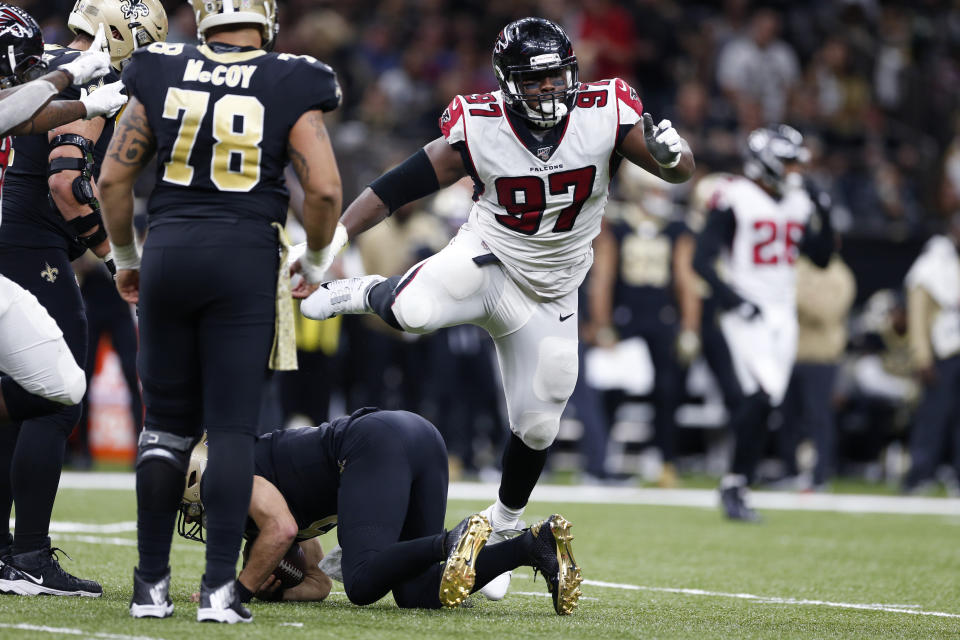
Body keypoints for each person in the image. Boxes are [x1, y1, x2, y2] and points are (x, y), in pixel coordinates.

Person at [300, 17, 694, 599]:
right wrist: (333, 239)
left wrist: (674, 155)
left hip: (553, 290)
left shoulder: (604, 112)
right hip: (489, 263)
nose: (549, 90)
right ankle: (362, 292)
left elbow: (677, 171)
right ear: (509, 84)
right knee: (410, 314)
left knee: (540, 422)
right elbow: (395, 187)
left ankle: (503, 524)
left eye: (557, 76)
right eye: (534, 81)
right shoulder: (481, 125)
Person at [99, 0, 345, 623]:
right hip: (244, 257)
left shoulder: (160, 65)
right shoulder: (292, 75)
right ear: (264, 16)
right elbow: (323, 189)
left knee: (164, 428)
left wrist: (127, 257)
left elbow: (111, 182)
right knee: (232, 429)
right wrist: (315, 262)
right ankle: (216, 592)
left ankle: (149, 587)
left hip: (171, 251)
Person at [0, 0, 165, 598]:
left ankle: (5, 553)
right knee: (55, 398)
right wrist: (118, 258)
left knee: (14, 402)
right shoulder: (90, 69)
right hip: (32, 248)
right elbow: (68, 182)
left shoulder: (39, 65)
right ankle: (32, 555)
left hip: (9, 237)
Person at [173, 408, 582, 615]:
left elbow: (280, 529)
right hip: (418, 437)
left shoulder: (227, 471)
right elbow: (317, 581)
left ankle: (454, 539)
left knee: (364, 581)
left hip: (374, 443)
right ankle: (532, 545)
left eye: (186, 503)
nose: (192, 515)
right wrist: (276, 589)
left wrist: (235, 592)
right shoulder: (261, 475)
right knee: (416, 592)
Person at [692, 125, 833, 521]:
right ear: (767, 162)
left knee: (765, 402)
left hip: (782, 314)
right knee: (761, 396)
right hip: (746, 312)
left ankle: (737, 483)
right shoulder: (735, 196)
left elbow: (821, 258)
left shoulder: (798, 202)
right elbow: (700, 261)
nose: (794, 171)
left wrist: (824, 210)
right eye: (787, 162)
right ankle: (737, 483)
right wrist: (735, 300)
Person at [0, 3, 122, 427]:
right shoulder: (79, 68)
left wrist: (83, 103)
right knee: (58, 390)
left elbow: (23, 116)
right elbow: (67, 179)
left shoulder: (18, 100)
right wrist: (72, 80)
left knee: (59, 387)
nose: (28, 78)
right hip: (30, 244)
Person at [902, 214, 960, 493]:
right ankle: (919, 475)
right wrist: (921, 356)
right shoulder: (932, 265)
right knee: (932, 418)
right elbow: (917, 317)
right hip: (942, 352)